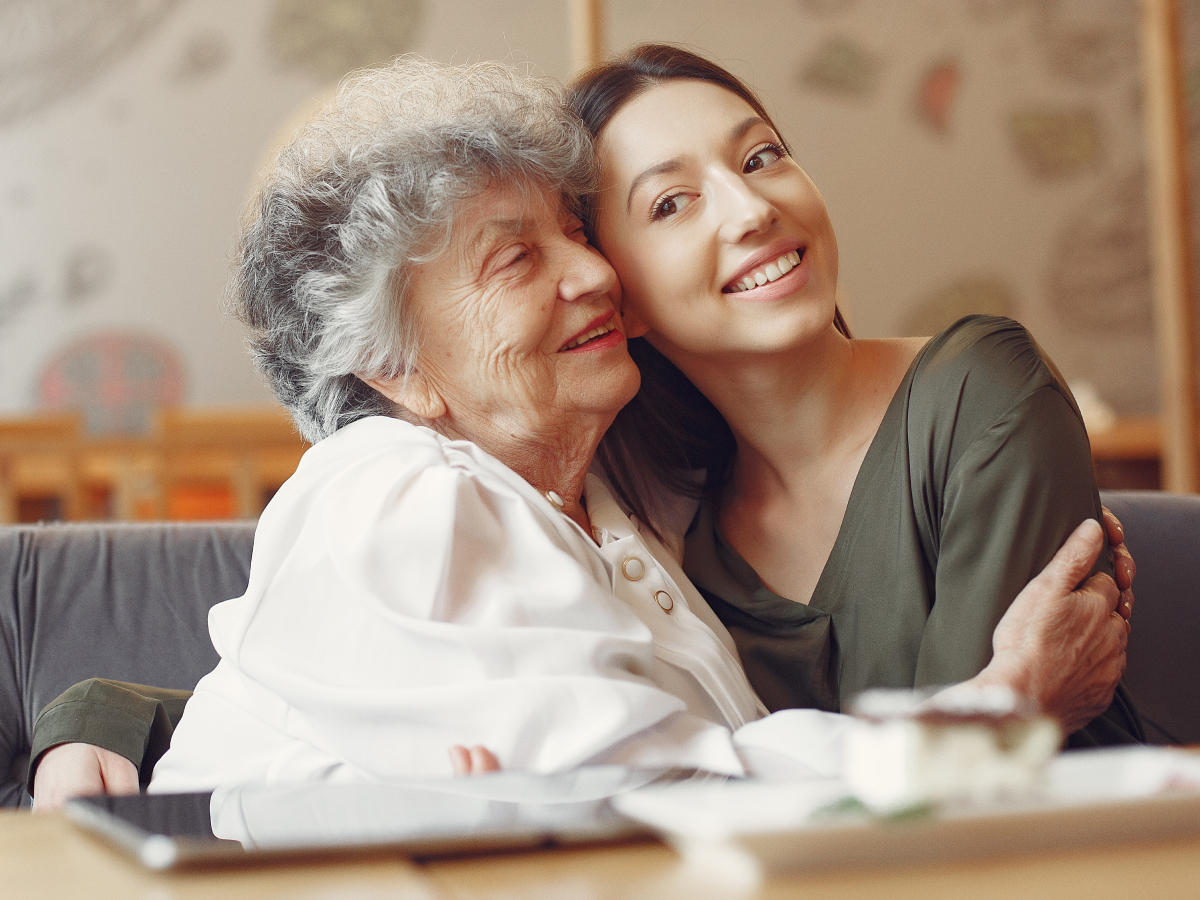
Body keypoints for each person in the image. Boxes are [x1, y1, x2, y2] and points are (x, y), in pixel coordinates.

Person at [30, 55, 1133, 810]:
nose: (591, 273)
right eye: (519, 259)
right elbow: (664, 791)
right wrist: (1004, 708)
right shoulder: (400, 492)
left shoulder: (630, 500)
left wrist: (111, 714)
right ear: (398, 372)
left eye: (573, 231)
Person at [568, 44, 1140, 746]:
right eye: (671, 203)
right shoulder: (693, 565)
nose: (751, 210)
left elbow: (960, 799)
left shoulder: (980, 394)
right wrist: (1018, 698)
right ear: (618, 300)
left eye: (760, 157)